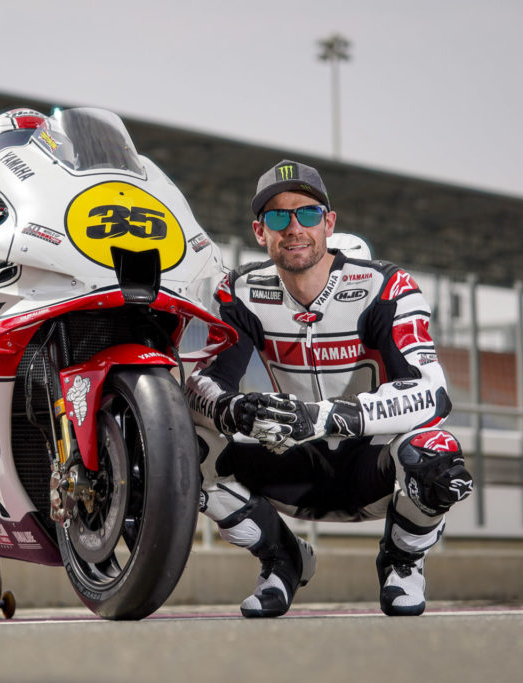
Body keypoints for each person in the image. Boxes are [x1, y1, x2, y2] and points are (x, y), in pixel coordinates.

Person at [186, 159, 473, 618]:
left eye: (308, 214)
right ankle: (282, 558)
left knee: (436, 449)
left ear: (329, 223)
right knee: (185, 447)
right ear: (260, 231)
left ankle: (402, 560)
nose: (294, 227)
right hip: (292, 465)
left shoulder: (389, 286)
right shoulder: (239, 291)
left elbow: (432, 393)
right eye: (278, 217)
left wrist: (325, 417)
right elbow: (199, 384)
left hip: (370, 466)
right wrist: (231, 409)